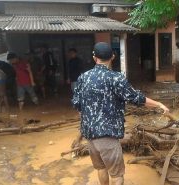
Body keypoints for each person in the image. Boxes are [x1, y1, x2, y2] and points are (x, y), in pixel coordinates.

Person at [72, 42, 170, 185]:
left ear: (94, 57)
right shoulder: (116, 78)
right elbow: (136, 98)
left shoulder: (83, 78)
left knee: (101, 168)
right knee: (117, 176)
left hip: (90, 134)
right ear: (112, 56)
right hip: (108, 135)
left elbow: (76, 104)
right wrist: (159, 104)